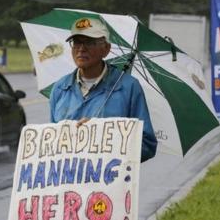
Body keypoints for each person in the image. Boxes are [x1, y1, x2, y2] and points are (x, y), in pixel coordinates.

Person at [49, 17, 158, 162]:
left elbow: (146, 145)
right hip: (68, 182)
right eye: (77, 42)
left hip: (107, 181)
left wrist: (101, 137)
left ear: (106, 49)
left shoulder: (129, 87)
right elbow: (50, 144)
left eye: (89, 42)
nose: (81, 48)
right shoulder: (60, 88)